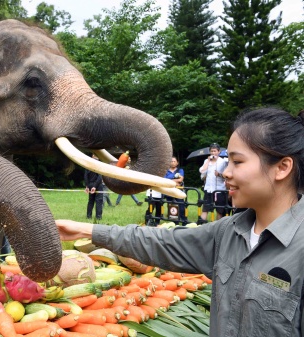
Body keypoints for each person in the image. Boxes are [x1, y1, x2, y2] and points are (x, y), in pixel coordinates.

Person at [56, 108, 304, 336]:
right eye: (228, 162)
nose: (226, 172)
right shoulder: (229, 232)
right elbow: (162, 242)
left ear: (282, 168)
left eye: (238, 162)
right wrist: (84, 229)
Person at [199, 142, 228, 220]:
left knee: (220, 211)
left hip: (220, 190)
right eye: (211, 151)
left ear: (218, 152)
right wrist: (208, 161)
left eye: (215, 151)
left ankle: (217, 227)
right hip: (208, 189)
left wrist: (219, 174)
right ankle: (201, 225)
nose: (213, 153)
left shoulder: (223, 162)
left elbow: (226, 176)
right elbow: (201, 170)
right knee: (205, 208)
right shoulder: (206, 161)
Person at [164, 156, 186, 222]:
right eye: (171, 161)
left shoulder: (180, 170)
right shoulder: (166, 171)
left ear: (177, 163)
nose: (173, 163)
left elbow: (181, 179)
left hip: (178, 190)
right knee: (171, 206)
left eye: (174, 161)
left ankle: (183, 220)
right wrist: (175, 181)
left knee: (181, 205)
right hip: (169, 191)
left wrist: (170, 180)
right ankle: (174, 221)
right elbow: (164, 180)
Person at [84, 155, 104, 220]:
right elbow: (99, 177)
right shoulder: (98, 165)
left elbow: (85, 176)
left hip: (90, 184)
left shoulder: (88, 165)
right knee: (99, 201)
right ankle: (98, 217)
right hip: (98, 185)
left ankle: (88, 216)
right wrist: (95, 186)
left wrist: (87, 186)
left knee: (91, 201)